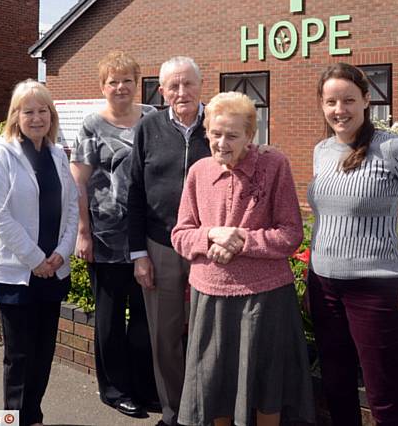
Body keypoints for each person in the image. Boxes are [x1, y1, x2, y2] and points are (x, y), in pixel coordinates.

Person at [308, 63, 398, 426]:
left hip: (374, 291)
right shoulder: (322, 150)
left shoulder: (393, 149)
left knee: (384, 399)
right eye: (331, 101)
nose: (339, 109)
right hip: (324, 286)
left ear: (367, 100)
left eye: (348, 100)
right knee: (337, 389)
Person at [171, 92, 314, 426]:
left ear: (251, 136)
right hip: (210, 298)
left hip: (265, 299)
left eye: (232, 135)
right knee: (215, 388)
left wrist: (240, 241)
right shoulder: (198, 171)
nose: (222, 143)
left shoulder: (274, 164)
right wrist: (211, 236)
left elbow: (291, 234)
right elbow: (180, 234)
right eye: (216, 133)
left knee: (268, 388)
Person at [0, 80, 78, 426]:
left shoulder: (56, 154)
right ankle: (16, 418)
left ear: (51, 116)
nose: (37, 118)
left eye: (43, 111)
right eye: (29, 111)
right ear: (15, 116)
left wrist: (61, 254)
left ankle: (33, 415)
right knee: (19, 356)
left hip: (53, 271)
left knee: (43, 354)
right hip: (18, 275)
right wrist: (36, 259)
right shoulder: (1, 155)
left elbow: (72, 209)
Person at [71, 50, 158, 418]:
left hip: (147, 237)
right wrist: (83, 233)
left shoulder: (154, 118)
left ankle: (143, 386)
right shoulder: (93, 125)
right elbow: (79, 183)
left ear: (136, 83)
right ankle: (115, 389)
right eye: (112, 81)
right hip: (106, 238)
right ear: (102, 86)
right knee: (109, 319)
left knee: (142, 318)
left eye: (126, 80)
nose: (120, 87)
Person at [127, 56, 210, 426]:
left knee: (207, 334)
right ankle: (176, 412)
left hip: (209, 250)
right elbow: (134, 192)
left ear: (201, 84)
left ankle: (207, 410)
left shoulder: (219, 123)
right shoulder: (148, 127)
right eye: (173, 86)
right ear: (161, 91)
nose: (182, 92)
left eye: (188, 84)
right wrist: (138, 253)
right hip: (159, 245)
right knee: (164, 337)